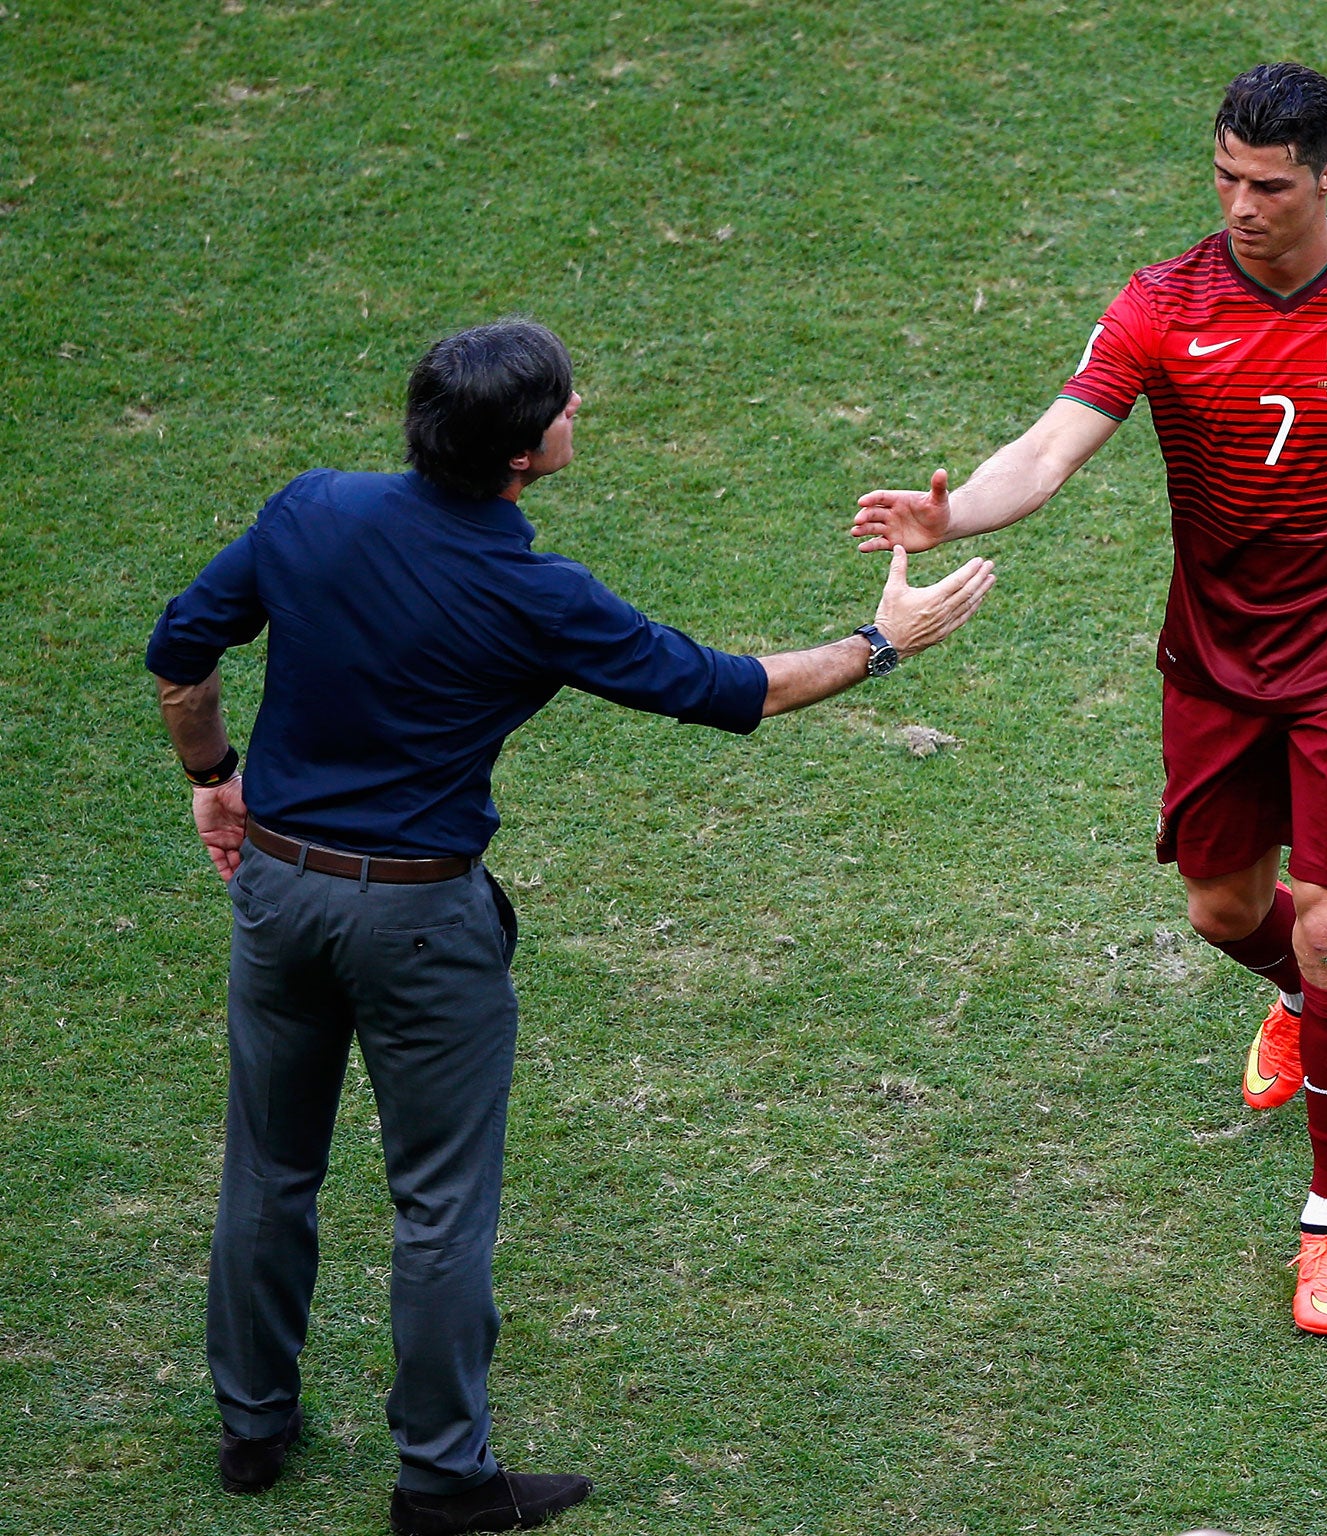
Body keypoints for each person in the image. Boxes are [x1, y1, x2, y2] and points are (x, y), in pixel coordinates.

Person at [145, 318, 995, 1533]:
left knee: (269, 1165)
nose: (577, 406)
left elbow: (181, 654)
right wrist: (880, 644)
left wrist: (212, 774)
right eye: (561, 403)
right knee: (438, 1203)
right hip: (421, 925)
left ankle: (250, 1429)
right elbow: (726, 690)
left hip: (277, 893)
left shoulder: (309, 510)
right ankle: (440, 1478)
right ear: (521, 459)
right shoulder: (531, 592)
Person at [850, 62, 1327, 1332]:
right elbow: (1051, 445)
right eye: (1224, 179)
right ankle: (1301, 1002)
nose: (1240, 207)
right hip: (1217, 658)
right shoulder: (1160, 305)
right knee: (1221, 907)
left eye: (1268, 186)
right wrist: (954, 507)